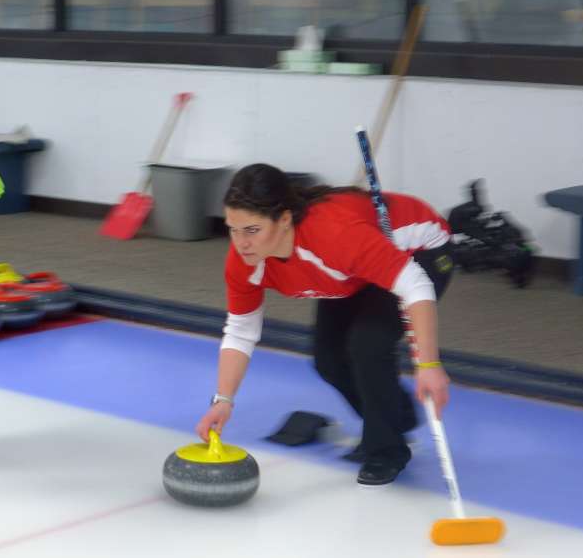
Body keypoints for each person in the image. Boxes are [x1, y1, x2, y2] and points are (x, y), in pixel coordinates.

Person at [195, 164, 455, 486]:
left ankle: (386, 450)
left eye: (252, 230)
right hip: (351, 271)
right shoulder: (244, 262)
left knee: (368, 343)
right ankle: (397, 417)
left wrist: (428, 364)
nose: (241, 243)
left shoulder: (333, 235)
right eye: (233, 229)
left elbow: (415, 285)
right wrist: (223, 400)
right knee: (328, 359)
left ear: (284, 219)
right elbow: (241, 330)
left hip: (419, 250)